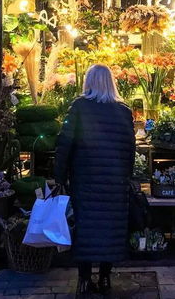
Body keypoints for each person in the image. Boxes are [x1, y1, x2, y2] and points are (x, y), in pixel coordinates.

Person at [54, 64, 135, 296]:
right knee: (111, 229)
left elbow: (64, 143)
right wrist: (127, 176)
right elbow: (130, 148)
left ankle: (84, 279)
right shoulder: (123, 111)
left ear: (88, 82)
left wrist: (59, 175)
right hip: (115, 182)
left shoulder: (79, 107)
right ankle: (106, 278)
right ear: (112, 83)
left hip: (85, 180)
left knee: (86, 229)